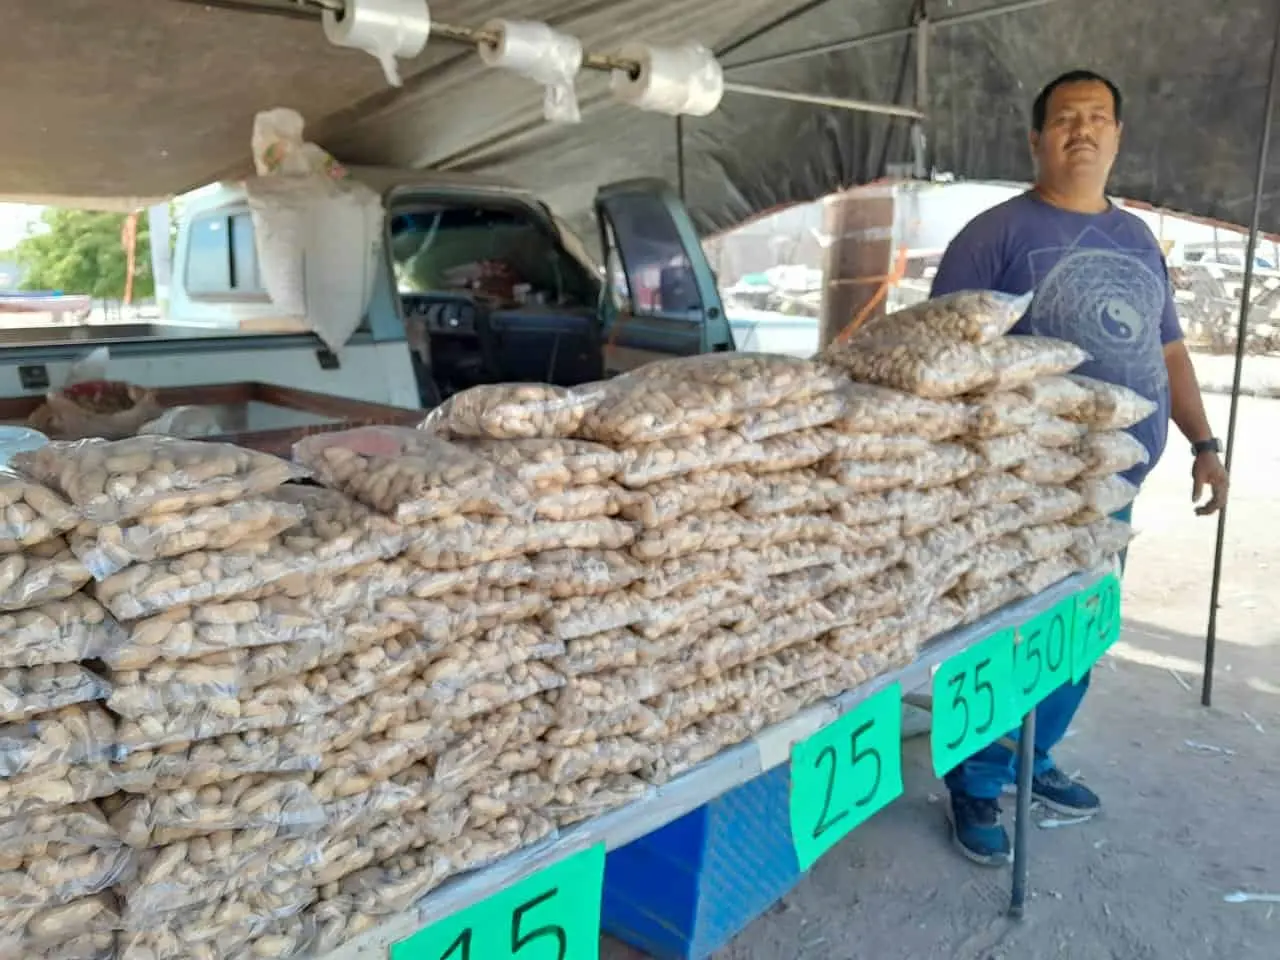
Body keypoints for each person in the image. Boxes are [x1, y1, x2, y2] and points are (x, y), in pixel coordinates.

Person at [929, 69, 1230, 866]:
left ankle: (1035, 754)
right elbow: (944, 352)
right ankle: (979, 779)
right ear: (1036, 139)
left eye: (1098, 117)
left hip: (1115, 488)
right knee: (1007, 633)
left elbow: (1167, 350)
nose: (1083, 130)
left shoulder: (1136, 239)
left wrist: (1205, 442)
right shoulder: (994, 234)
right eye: (1066, 118)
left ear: (1119, 137)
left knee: (1079, 636)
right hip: (1022, 492)